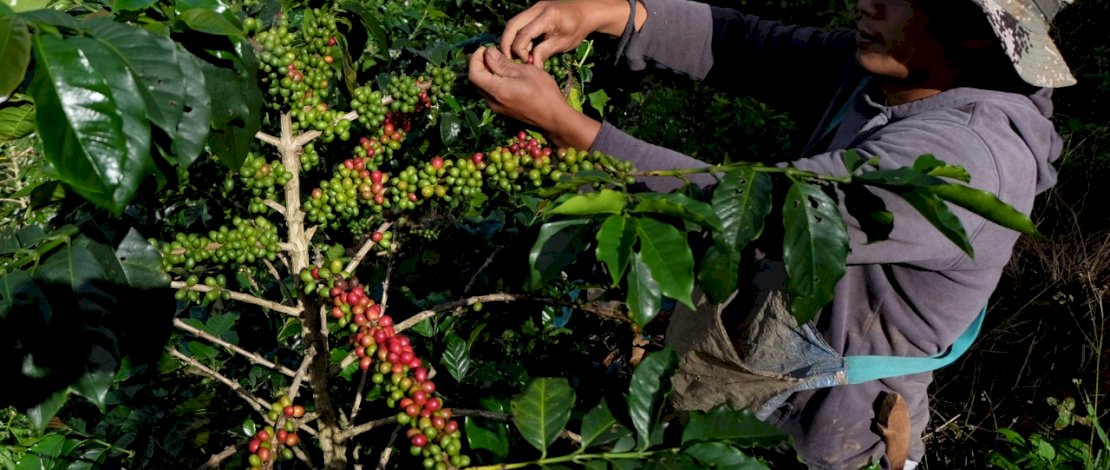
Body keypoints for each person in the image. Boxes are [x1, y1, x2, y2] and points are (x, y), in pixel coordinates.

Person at [468, 0, 1075, 467]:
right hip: (756, 387)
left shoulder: (965, 156)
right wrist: (611, 12)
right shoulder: (901, 71)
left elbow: (764, 212)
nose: (866, 3)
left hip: (829, 441)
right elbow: (744, 44)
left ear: (973, 29)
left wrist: (574, 131)